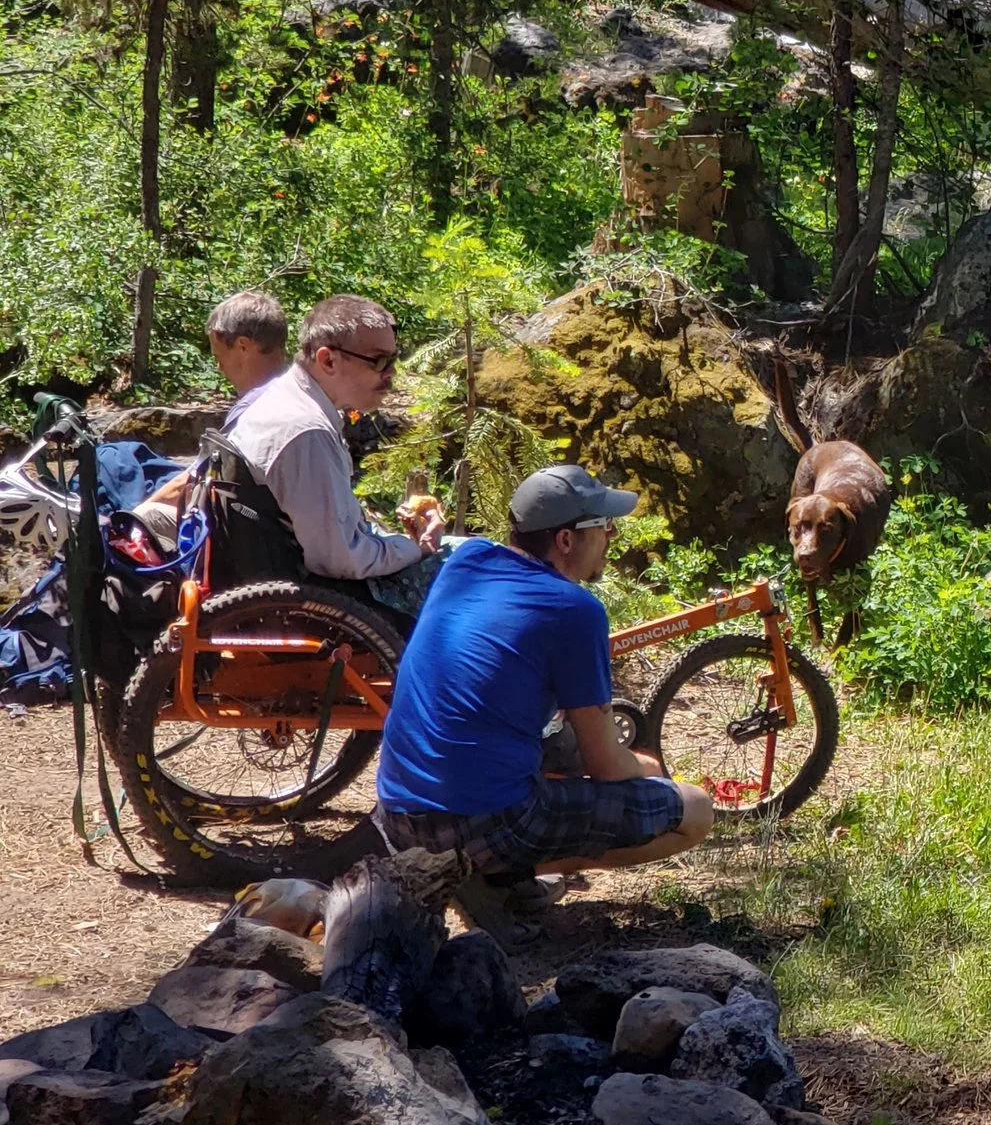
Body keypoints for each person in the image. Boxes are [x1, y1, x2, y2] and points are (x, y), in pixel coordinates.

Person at [375, 464, 714, 930]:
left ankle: (483, 872)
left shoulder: (467, 560)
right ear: (566, 541)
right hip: (477, 825)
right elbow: (607, 766)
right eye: (602, 525)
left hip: (396, 815)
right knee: (694, 810)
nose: (612, 534)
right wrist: (648, 771)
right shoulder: (575, 610)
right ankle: (488, 876)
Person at [224, 293, 442, 584]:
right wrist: (418, 548)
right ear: (328, 360)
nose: (392, 373)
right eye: (379, 361)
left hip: (290, 572)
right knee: (480, 563)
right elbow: (342, 560)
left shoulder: (286, 399)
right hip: (324, 596)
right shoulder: (306, 432)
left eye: (394, 359)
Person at [205, 291, 290, 419]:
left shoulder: (254, 413)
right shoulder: (311, 396)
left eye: (219, 356)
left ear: (243, 346)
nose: (220, 367)